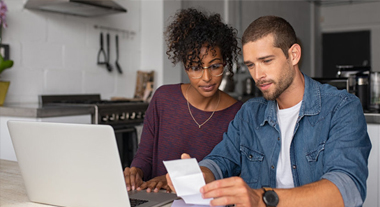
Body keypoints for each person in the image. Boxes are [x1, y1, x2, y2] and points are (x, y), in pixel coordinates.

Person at [167, 16, 371, 207]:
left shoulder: (341, 108)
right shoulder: (250, 113)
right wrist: (200, 175)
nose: (258, 75)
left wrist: (263, 199)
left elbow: (347, 188)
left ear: (293, 55)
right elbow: (221, 160)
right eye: (251, 65)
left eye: (266, 61)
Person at [124, 8, 243, 193]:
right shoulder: (163, 99)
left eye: (215, 66)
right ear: (185, 67)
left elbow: (230, 173)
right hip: (156, 200)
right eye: (195, 67)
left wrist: (172, 180)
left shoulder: (238, 113)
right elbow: (145, 156)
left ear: (225, 64)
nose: (206, 77)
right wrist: (136, 172)